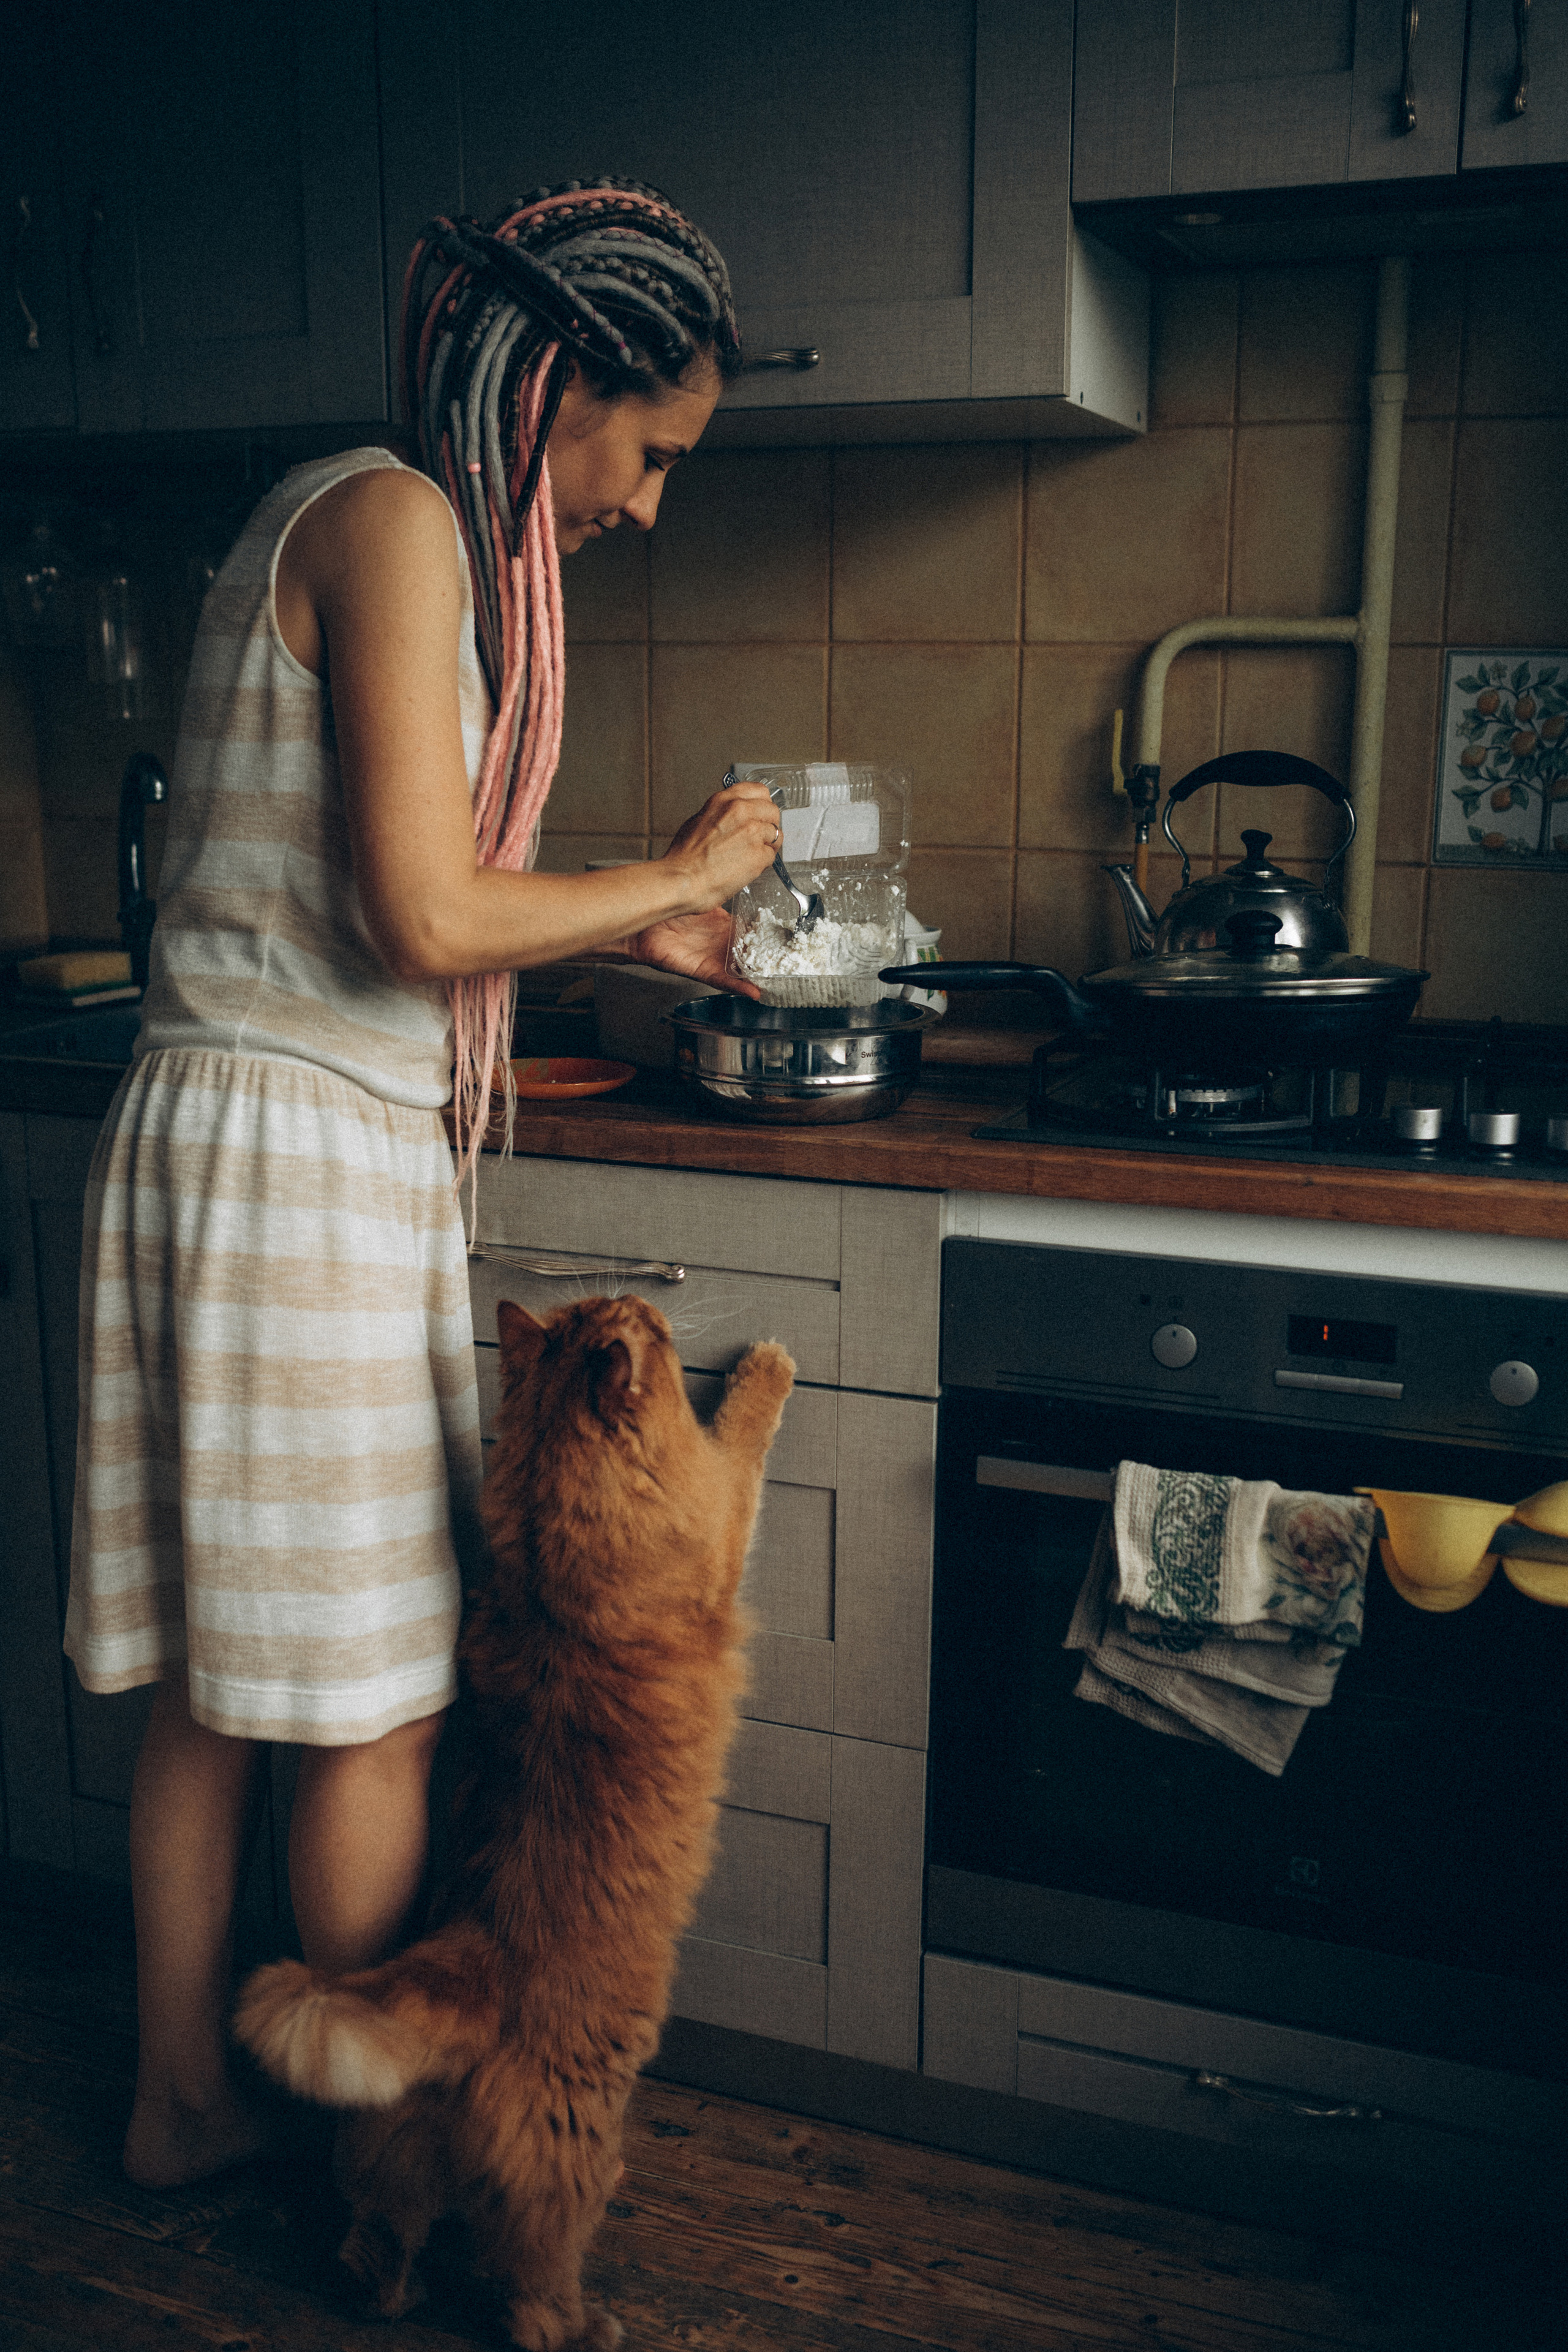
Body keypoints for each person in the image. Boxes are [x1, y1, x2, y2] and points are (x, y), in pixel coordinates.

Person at [62, 181, 782, 2189]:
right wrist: (674, 877)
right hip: (293, 1161)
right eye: (648, 453)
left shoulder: (357, 513)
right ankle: (354, 2152)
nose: (648, 506)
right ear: (559, 384)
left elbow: (390, 910)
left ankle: (186, 2098)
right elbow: (419, 907)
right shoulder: (395, 524)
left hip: (244, 1137)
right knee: (370, 1701)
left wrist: (620, 936)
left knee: (222, 1687)